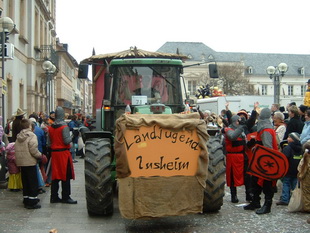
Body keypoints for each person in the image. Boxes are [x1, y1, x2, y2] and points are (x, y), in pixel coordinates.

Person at [244, 108, 278, 214]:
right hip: (259, 161)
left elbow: (268, 148)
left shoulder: (266, 130)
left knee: (267, 183)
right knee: (255, 181)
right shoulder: (264, 128)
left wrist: (256, 148)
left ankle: (267, 205)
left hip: (266, 162)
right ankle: (255, 201)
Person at [48, 106, 77, 204]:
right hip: (63, 154)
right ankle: (66, 196)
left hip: (54, 154)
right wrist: (73, 135)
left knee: (55, 176)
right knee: (66, 175)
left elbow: (48, 143)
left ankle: (54, 197)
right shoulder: (64, 127)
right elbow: (66, 141)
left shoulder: (50, 127)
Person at [14, 119, 43, 209]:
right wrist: (40, 156)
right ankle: (32, 201)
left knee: (25, 181)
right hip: (30, 161)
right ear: (29, 126)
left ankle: (26, 198)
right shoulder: (31, 135)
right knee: (32, 182)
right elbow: (33, 149)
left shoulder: (19, 136)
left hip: (21, 161)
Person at [224, 114, 247, 203]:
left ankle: (248, 194)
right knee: (232, 177)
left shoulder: (241, 131)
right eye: (238, 121)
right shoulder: (228, 130)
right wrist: (241, 127)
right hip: (232, 156)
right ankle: (234, 195)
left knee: (246, 176)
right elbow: (232, 137)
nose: (239, 122)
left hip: (242, 155)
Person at [276, 132, 302, 206]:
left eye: (289, 137)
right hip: (297, 170)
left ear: (292, 139)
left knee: (286, 184)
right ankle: (294, 199)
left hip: (288, 169)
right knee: (294, 185)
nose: (287, 138)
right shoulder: (301, 148)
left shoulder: (288, 148)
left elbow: (284, 159)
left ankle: (285, 199)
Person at [298, 142, 310, 223]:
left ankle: (308, 207)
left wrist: (300, 175)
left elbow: (304, 167)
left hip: (307, 176)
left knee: (307, 192)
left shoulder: (307, 155)